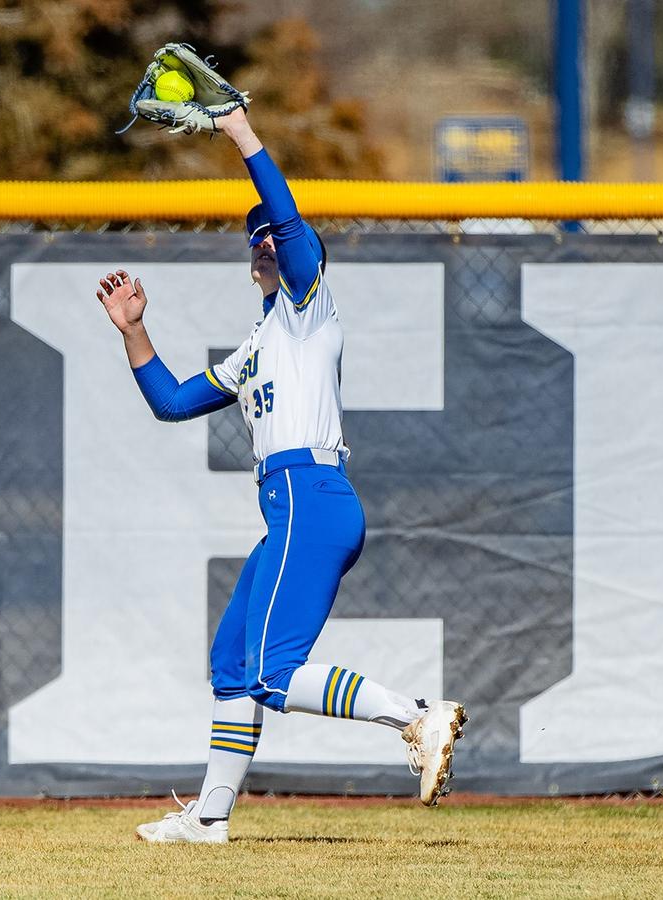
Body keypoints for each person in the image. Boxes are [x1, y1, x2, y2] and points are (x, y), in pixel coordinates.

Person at [94, 107, 466, 845]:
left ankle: (416, 715)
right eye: (254, 237)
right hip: (292, 507)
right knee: (233, 662)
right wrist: (135, 331)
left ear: (300, 256)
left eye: (274, 235)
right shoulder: (257, 344)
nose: (264, 241)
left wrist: (240, 134)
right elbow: (172, 402)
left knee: (272, 671)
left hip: (310, 496)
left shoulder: (307, 306)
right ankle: (209, 817)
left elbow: (291, 225)